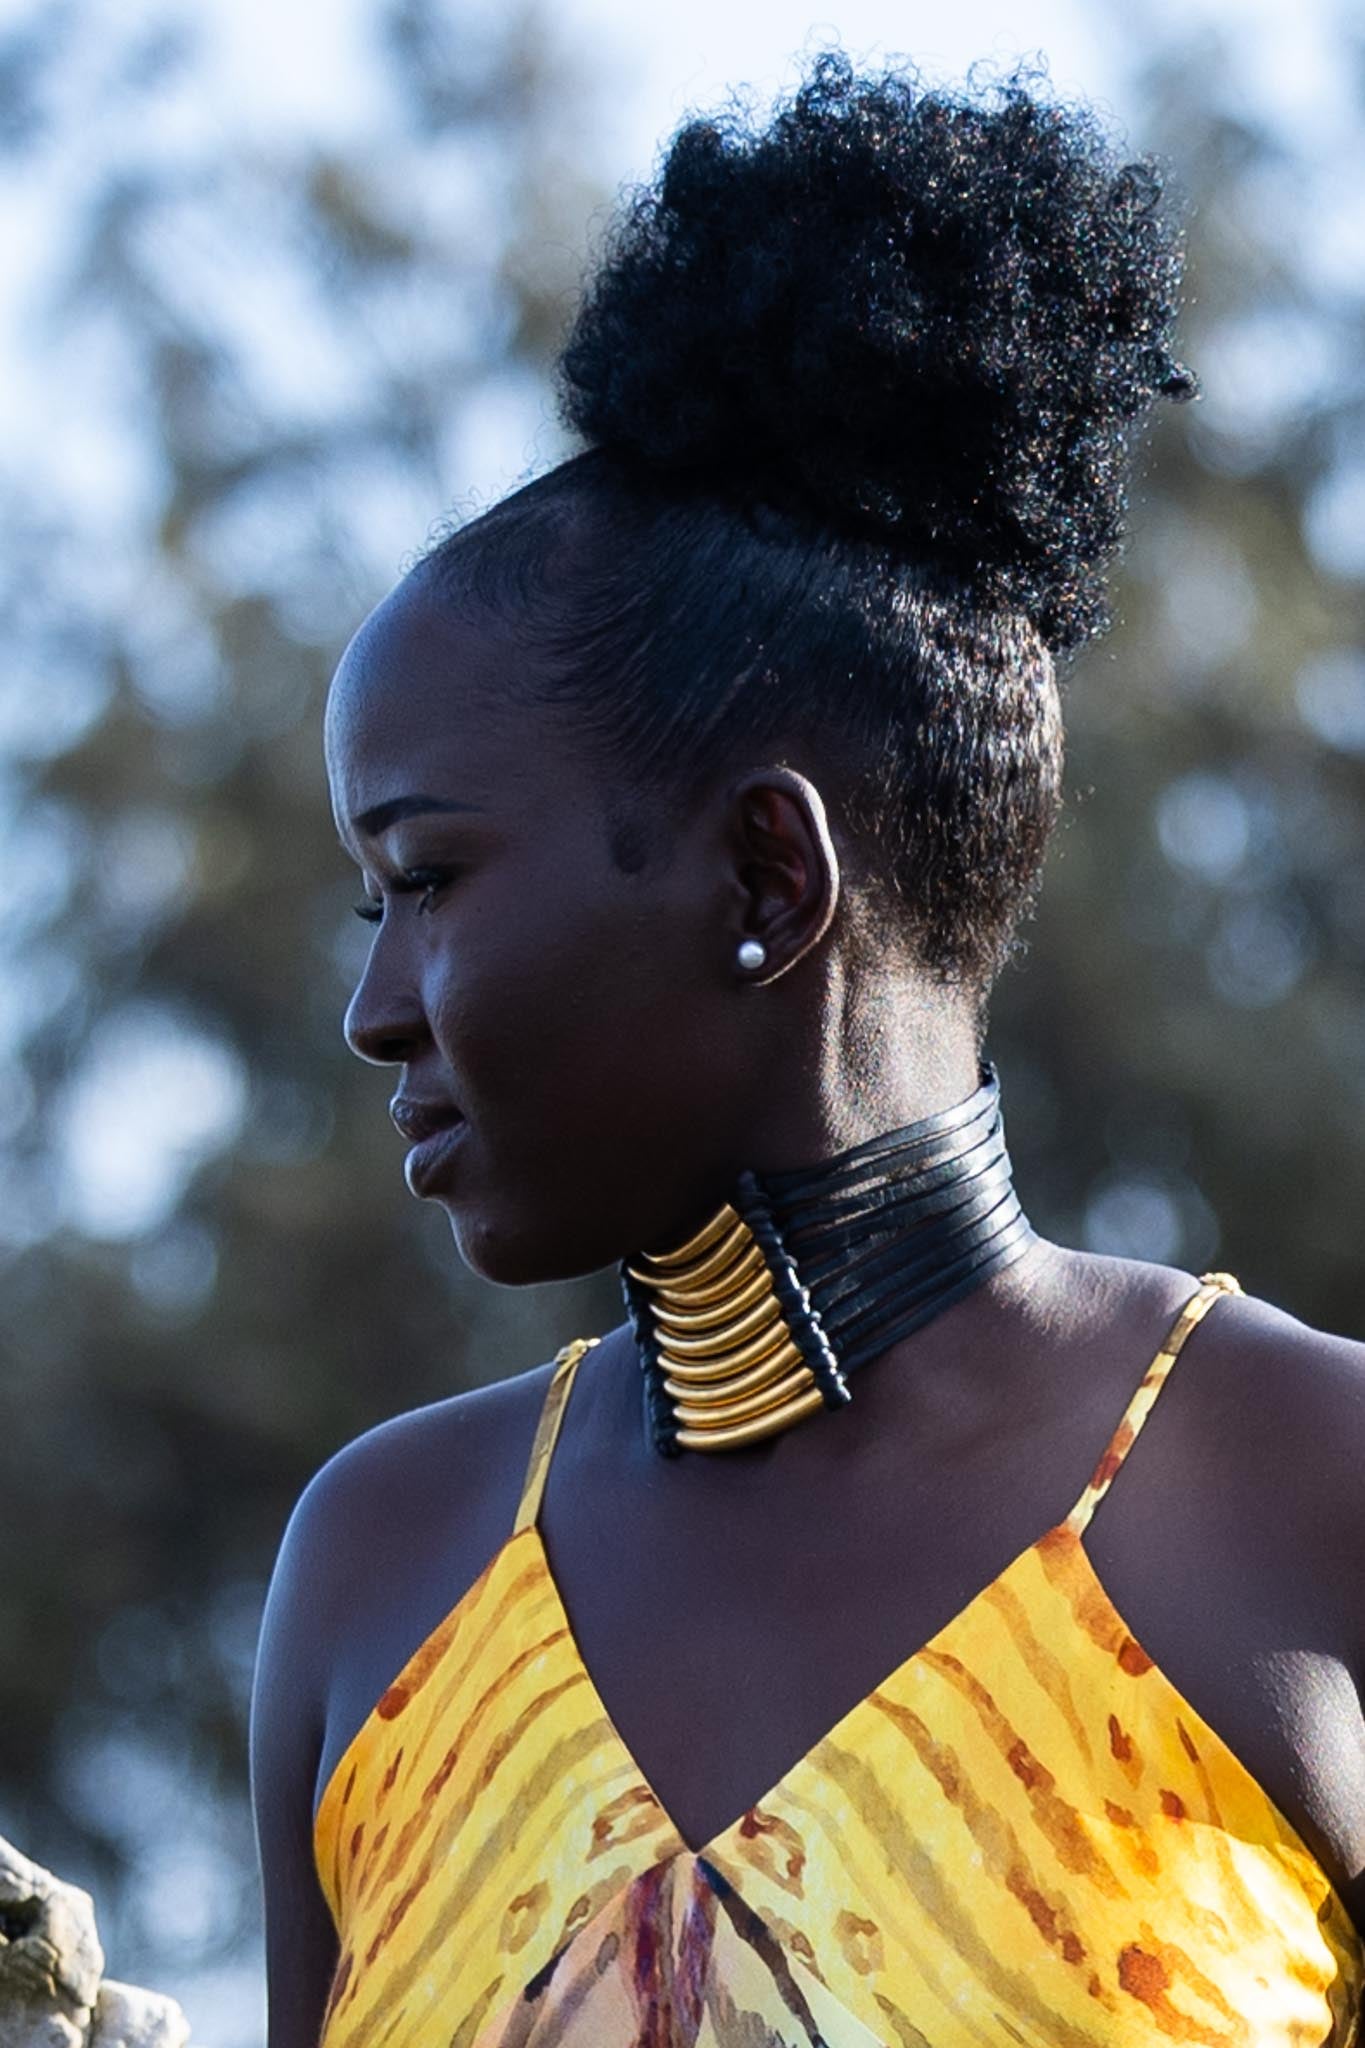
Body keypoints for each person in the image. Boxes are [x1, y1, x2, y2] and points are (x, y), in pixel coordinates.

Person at [249, 50, 1365, 2048]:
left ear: (767, 874)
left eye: (424, 878)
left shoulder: (1304, 1500)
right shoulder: (378, 1578)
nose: (374, 1005)